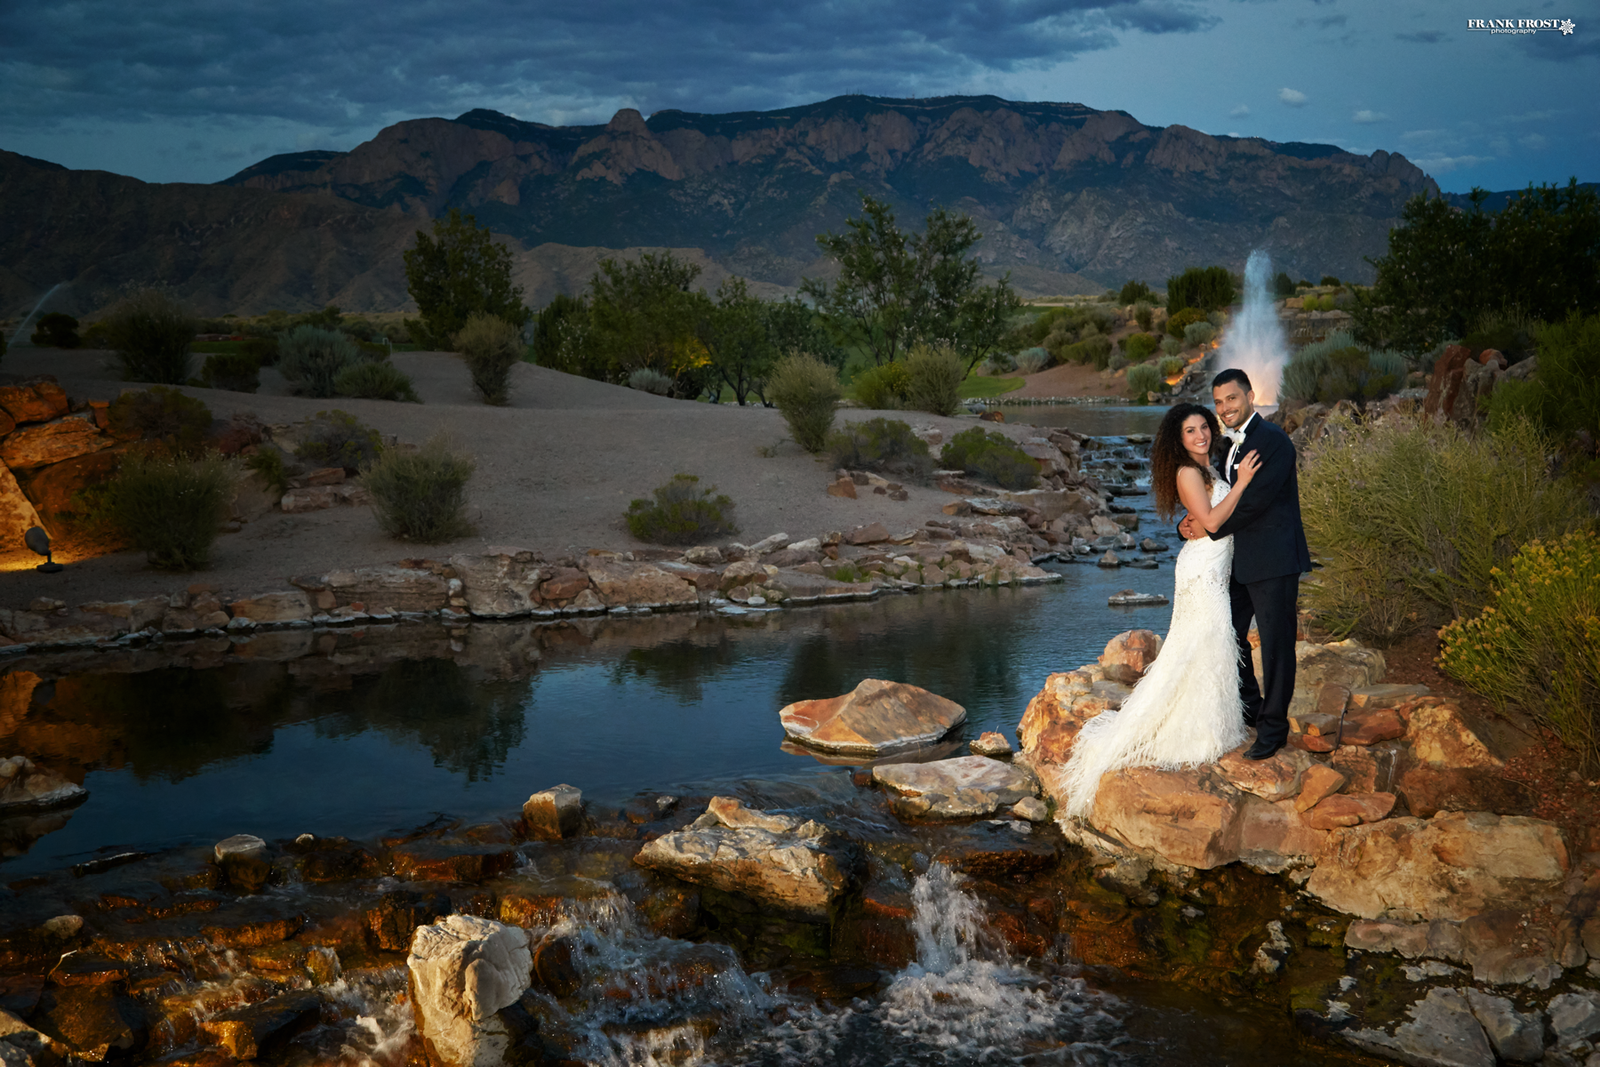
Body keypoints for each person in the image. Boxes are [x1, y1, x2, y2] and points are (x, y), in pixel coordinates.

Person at [1057, 401, 1260, 819]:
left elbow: (1200, 520)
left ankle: (1211, 727)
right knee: (1204, 642)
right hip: (1202, 571)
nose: (1201, 434)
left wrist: (1198, 515)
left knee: (1209, 646)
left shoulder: (1209, 468)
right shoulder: (1188, 471)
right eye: (1190, 431)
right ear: (1178, 439)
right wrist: (1240, 485)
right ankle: (1193, 733)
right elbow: (1213, 521)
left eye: (1205, 426)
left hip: (1212, 567)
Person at [1178, 369, 1312, 761]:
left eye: (1232, 399)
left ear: (1250, 396)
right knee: (1229, 636)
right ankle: (1251, 709)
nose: (1225, 408)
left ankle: (1273, 731)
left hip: (1274, 560)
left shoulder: (1273, 441)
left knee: (1275, 646)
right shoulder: (1223, 445)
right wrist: (1189, 522)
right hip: (1238, 562)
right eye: (1219, 402)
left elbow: (1256, 502)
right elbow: (1213, 494)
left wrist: (1209, 528)